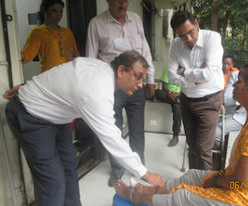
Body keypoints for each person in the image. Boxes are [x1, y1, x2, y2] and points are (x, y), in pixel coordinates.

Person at [114, 61, 248, 206]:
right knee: (193, 175)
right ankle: (149, 190)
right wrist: (215, 180)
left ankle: (138, 197)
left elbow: (241, 182)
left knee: (182, 197)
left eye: (239, 81)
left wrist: (214, 182)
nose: (233, 84)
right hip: (245, 189)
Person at [3, 51, 164, 206]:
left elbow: (61, 74)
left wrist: (32, 85)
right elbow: (112, 139)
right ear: (121, 70)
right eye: (138, 77)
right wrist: (146, 174)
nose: (140, 84)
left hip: (57, 118)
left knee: (69, 167)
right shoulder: (97, 91)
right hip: (31, 116)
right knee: (53, 181)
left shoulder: (100, 68)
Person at [85, 0, 155, 186]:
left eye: (126, 0)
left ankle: (139, 169)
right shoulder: (97, 24)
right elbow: (91, 59)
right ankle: (117, 170)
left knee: (137, 129)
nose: (123, 5)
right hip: (111, 88)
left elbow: (145, 51)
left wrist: (149, 79)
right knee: (113, 130)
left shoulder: (136, 20)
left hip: (136, 85)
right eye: (117, 0)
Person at [168, 10, 224, 170]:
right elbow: (171, 75)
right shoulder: (176, 44)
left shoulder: (212, 38)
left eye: (191, 32)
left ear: (197, 24)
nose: (188, 39)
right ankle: (193, 186)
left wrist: (183, 71)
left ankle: (203, 191)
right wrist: (194, 81)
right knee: (192, 147)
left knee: (203, 150)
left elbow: (207, 75)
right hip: (186, 101)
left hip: (209, 101)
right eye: (182, 36)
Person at [21, 0, 80, 73]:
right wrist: (14, 56)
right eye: (54, 11)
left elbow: (76, 55)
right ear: (44, 9)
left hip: (68, 76)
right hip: (48, 78)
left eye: (60, 12)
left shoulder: (67, 32)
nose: (58, 15)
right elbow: (28, 54)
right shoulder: (38, 32)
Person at [155, 66, 182, 147]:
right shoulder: (168, 68)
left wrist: (177, 94)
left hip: (179, 95)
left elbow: (184, 88)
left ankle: (175, 136)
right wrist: (170, 93)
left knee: (177, 108)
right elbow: (165, 86)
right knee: (157, 92)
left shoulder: (185, 70)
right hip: (168, 95)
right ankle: (177, 101)